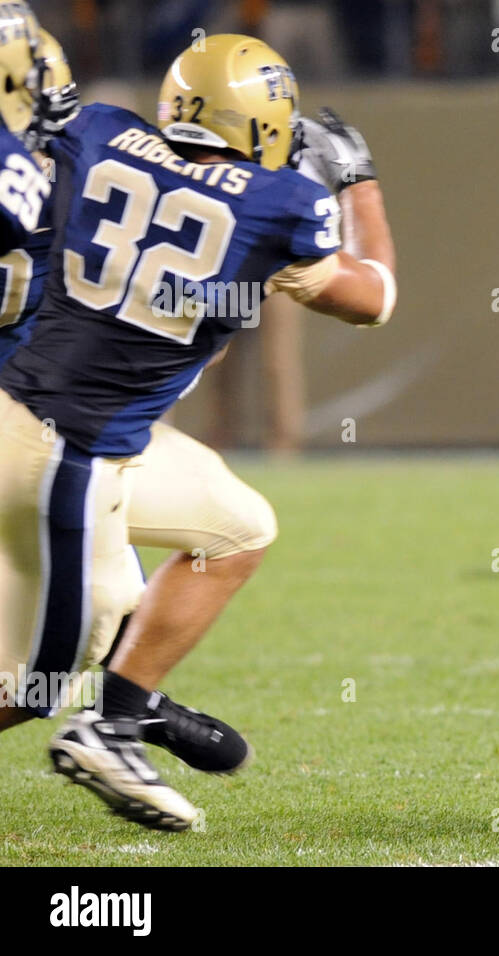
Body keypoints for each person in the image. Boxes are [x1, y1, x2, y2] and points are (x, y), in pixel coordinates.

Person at [0, 33, 397, 831]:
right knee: (40, 680)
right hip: (63, 450)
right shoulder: (283, 206)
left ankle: (121, 716)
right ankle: (105, 724)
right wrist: (358, 184)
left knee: (237, 525)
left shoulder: (100, 132)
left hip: (74, 426)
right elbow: (374, 297)